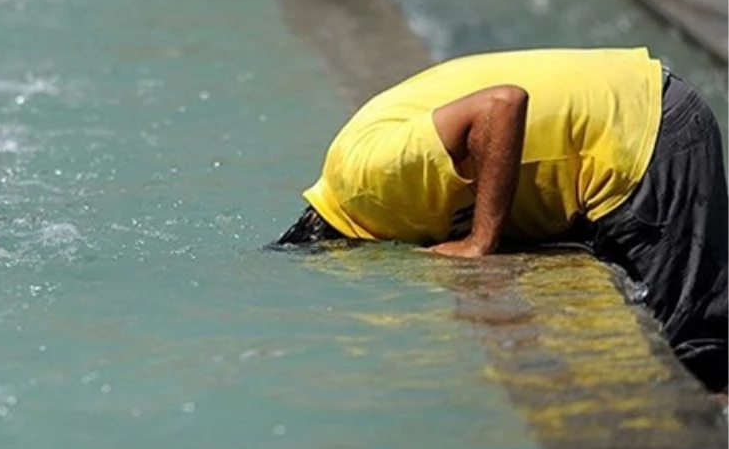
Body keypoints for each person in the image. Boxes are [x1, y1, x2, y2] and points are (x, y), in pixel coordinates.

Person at [277, 47, 729, 398]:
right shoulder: (358, 180)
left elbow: (503, 104)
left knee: (697, 360)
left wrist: (481, 240)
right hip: (629, 118)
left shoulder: (368, 181)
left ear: (336, 247)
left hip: (642, 138)